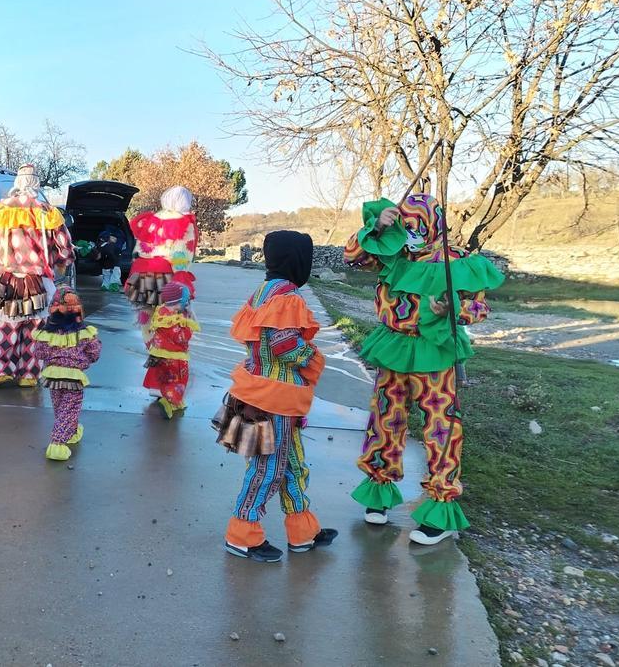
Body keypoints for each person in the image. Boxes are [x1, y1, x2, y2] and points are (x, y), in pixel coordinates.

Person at [344, 194, 504, 545]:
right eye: (405, 225)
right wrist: (377, 226)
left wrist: (452, 310)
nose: (411, 232)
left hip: (435, 352)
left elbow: (479, 308)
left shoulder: (458, 261)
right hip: (394, 347)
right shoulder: (393, 252)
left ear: (434, 223)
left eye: (416, 225)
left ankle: (441, 506)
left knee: (440, 427)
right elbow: (353, 257)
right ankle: (380, 490)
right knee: (386, 420)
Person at [222, 230, 336, 563]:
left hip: (260, 392)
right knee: (268, 467)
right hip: (272, 399)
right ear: (297, 261)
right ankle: (242, 533)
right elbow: (284, 344)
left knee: (291, 464)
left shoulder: (262, 292)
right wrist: (312, 358)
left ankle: (303, 531)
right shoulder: (288, 297)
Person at [0, 164, 74, 388]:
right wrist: (59, 262)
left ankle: (0, 370)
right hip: (38, 281)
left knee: (3, 326)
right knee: (35, 328)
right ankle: (29, 374)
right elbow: (65, 249)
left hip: (7, 279)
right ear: (36, 184)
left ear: (17, 184)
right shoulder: (48, 213)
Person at [32, 286, 102, 462]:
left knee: (60, 407)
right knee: (69, 408)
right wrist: (83, 360)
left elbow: (40, 353)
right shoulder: (84, 332)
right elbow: (94, 353)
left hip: (52, 376)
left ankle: (71, 431)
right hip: (73, 377)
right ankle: (57, 443)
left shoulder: (46, 333)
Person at [124, 186, 198, 338]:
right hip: (167, 275)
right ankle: (165, 355)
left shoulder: (153, 219)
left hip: (141, 275)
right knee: (171, 319)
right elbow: (182, 252)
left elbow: (139, 249)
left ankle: (151, 349)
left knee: (146, 317)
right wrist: (181, 276)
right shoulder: (185, 222)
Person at [143, 281, 199, 418]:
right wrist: (188, 328)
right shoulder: (174, 320)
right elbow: (181, 337)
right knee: (178, 381)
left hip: (159, 354)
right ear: (176, 302)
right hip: (175, 358)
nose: (185, 305)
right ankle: (169, 403)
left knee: (164, 379)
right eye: (184, 302)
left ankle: (171, 400)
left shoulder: (161, 312)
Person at [94, 226, 129, 291]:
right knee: (115, 273)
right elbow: (114, 254)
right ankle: (113, 286)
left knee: (106, 273)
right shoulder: (114, 245)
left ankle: (105, 286)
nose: (114, 239)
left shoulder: (100, 245)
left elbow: (99, 255)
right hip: (114, 260)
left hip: (106, 261)